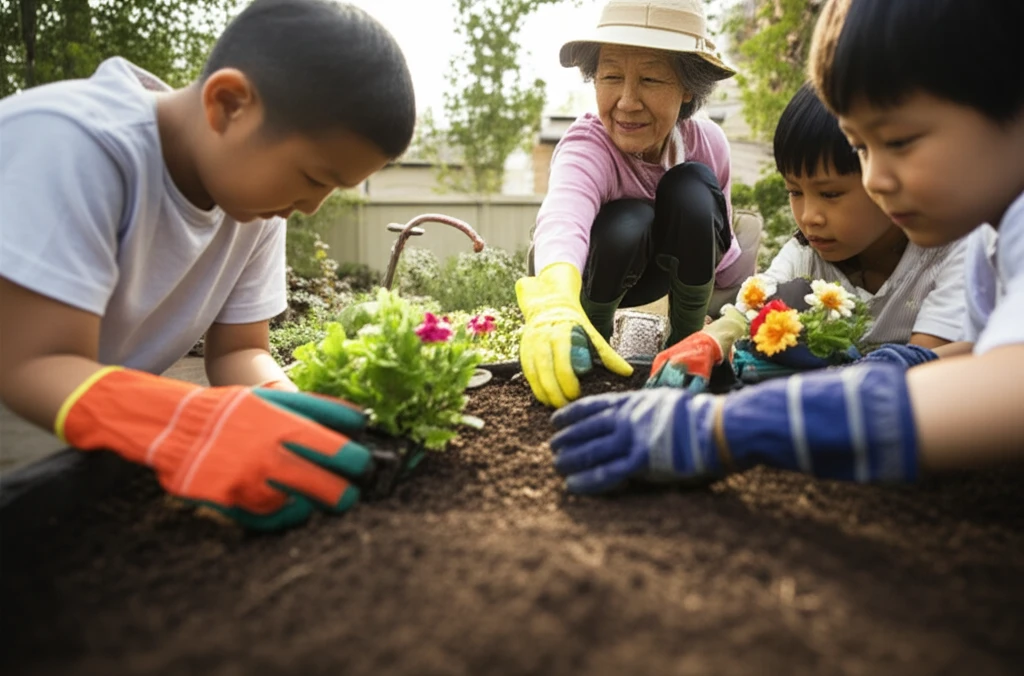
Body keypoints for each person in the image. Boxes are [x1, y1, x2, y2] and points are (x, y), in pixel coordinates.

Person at [546, 0, 1024, 494]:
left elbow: (1007, 388)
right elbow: (979, 357)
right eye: (860, 148)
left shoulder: (972, 242)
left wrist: (728, 428)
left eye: (900, 142)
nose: (875, 179)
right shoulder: (992, 234)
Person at [0, 0, 416, 530]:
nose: (313, 206)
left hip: (77, 455)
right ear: (228, 104)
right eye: (315, 179)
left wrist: (293, 420)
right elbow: (34, 364)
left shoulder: (255, 209)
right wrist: (189, 423)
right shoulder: (73, 143)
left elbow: (241, 352)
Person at [516, 0, 758, 409]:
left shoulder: (707, 143)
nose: (627, 101)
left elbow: (718, 237)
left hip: (670, 272)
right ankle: (590, 338)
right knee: (629, 218)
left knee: (693, 186)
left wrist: (738, 307)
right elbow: (563, 217)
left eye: (650, 78)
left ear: (687, 87)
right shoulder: (586, 147)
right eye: (611, 76)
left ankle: (684, 343)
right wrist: (556, 301)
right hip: (594, 275)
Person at [647, 83, 966, 389]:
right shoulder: (805, 253)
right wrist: (710, 340)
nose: (809, 216)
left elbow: (925, 365)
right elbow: (747, 312)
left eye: (830, 194)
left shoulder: (948, 256)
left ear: (884, 177)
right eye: (795, 191)